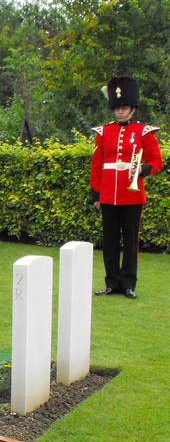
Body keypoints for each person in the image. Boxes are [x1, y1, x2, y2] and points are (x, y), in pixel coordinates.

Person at [90, 76, 163, 299]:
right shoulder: (104, 132)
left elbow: (156, 161)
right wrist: (96, 194)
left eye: (124, 108)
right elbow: (97, 166)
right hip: (109, 195)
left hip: (132, 195)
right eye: (117, 108)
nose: (120, 112)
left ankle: (128, 283)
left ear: (132, 109)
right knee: (110, 241)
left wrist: (142, 169)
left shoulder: (143, 132)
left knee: (130, 242)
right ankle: (112, 282)